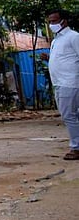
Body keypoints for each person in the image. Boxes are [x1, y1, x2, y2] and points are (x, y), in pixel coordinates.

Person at [45, 9, 79, 160]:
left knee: (69, 116)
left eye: (54, 21)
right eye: (50, 21)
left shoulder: (74, 37)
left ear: (63, 21)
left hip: (70, 82)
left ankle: (76, 148)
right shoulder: (56, 40)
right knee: (72, 115)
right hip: (59, 82)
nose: (51, 24)